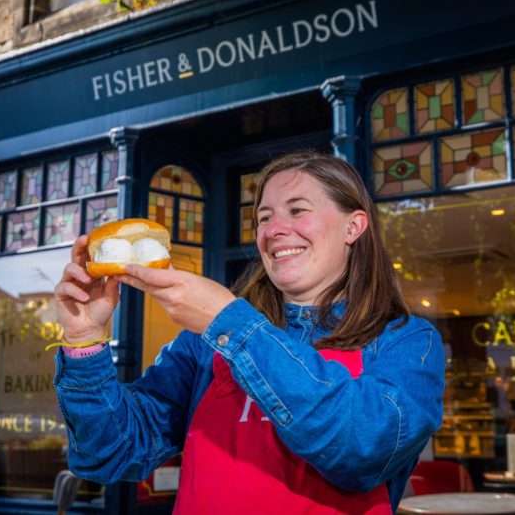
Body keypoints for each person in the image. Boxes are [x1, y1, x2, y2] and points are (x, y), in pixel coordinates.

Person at [52, 150, 446, 513]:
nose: (274, 230)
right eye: (264, 217)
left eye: (297, 210)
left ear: (353, 226)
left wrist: (230, 321)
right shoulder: (203, 343)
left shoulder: (406, 340)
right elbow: (110, 453)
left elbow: (363, 450)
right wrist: (84, 341)